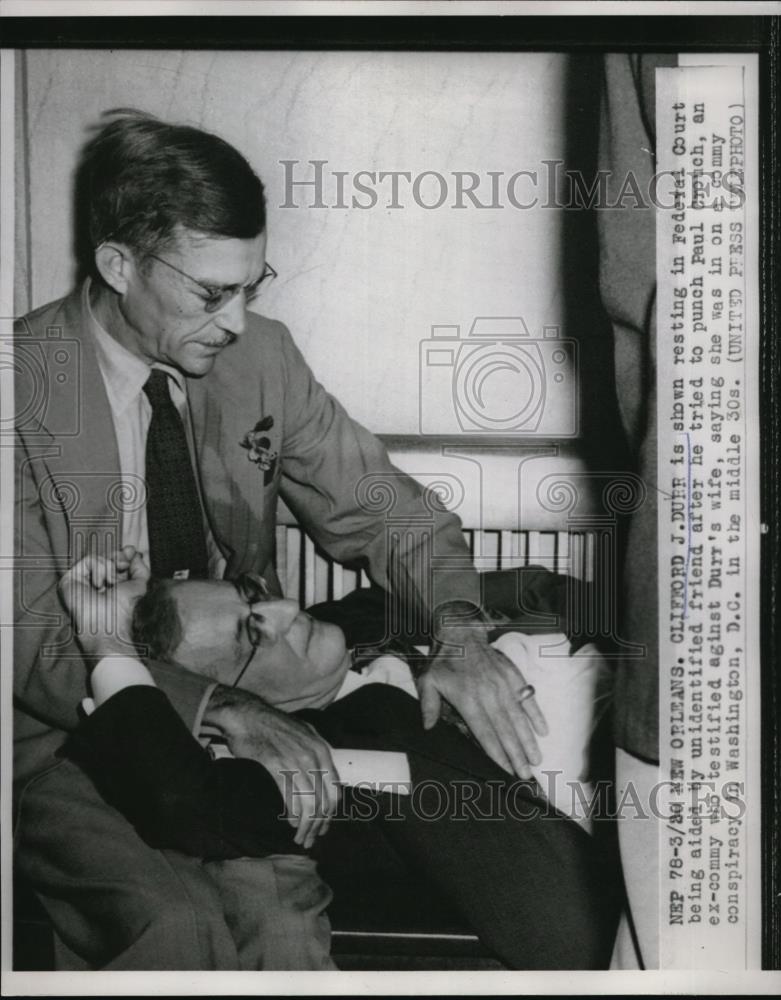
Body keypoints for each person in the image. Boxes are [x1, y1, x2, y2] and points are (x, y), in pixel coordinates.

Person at [13, 108, 572, 970]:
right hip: (66, 736)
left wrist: (458, 628)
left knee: (280, 925)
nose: (237, 321)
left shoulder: (259, 358)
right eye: (211, 294)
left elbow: (390, 510)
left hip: (244, 704)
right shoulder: (19, 393)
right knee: (170, 926)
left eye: (252, 285)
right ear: (118, 266)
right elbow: (34, 642)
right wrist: (224, 710)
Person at [57, 550, 619, 969]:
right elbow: (181, 799)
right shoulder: (320, 762)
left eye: (253, 595)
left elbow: (549, 590)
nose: (283, 608)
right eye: (252, 632)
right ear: (230, 702)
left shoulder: (370, 614)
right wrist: (109, 646)